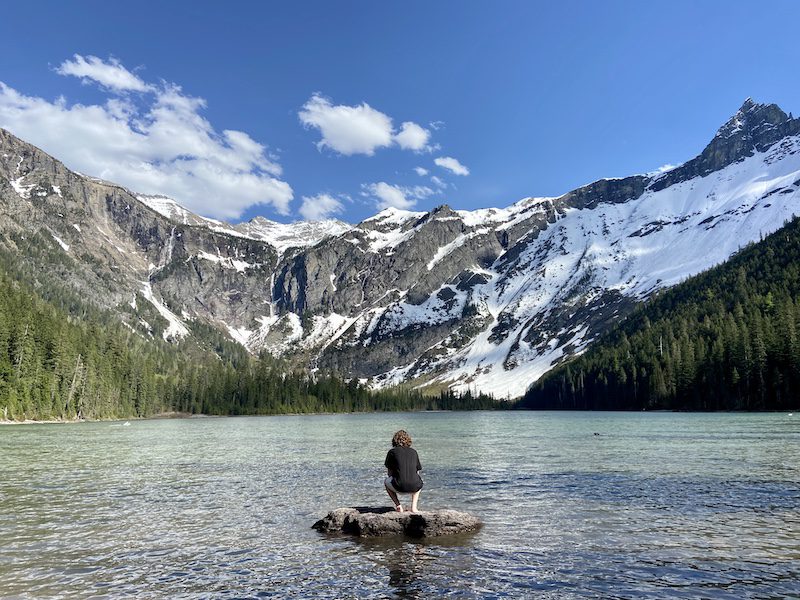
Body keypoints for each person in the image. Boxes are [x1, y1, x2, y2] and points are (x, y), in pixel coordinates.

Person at [384, 430, 423, 513]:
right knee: (418, 482)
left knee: (386, 482)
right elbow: (417, 472)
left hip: (399, 486)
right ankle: (414, 507)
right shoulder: (414, 452)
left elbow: (389, 473)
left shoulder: (392, 452)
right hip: (414, 486)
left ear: (394, 441)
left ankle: (398, 505)